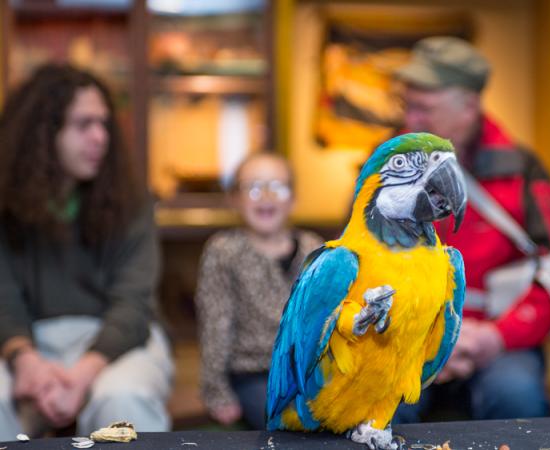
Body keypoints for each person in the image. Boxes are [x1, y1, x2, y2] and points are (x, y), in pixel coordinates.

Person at [392, 36, 550, 422]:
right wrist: (427, 342)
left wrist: (496, 338)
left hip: (498, 338)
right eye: (406, 106)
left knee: (517, 400)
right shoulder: (386, 166)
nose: (409, 121)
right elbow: (357, 263)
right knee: (375, 413)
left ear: (468, 106)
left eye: (423, 109)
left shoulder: (522, 169)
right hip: (404, 341)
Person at [0, 64, 173, 440]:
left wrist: (81, 375)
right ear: (42, 134)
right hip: (24, 342)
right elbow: (3, 298)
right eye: (83, 125)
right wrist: (25, 360)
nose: (100, 137)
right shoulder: (6, 205)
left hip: (117, 342)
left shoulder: (132, 201)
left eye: (104, 124)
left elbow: (133, 305)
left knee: (122, 397)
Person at [195, 153, 323, 429]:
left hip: (307, 371)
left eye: (277, 187)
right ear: (235, 199)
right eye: (253, 187)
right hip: (253, 372)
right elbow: (216, 325)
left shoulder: (314, 248)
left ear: (293, 199)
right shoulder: (223, 251)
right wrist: (216, 392)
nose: (265, 196)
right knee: (291, 421)